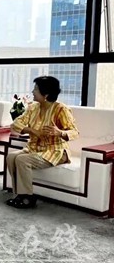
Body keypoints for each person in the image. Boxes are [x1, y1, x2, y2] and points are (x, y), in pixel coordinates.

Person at [5, 76, 79, 209]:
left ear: (46, 95)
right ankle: (19, 195)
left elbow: (75, 132)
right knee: (11, 157)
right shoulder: (33, 107)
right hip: (35, 148)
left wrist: (60, 133)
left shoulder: (61, 109)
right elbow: (15, 124)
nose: (32, 92)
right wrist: (32, 131)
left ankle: (27, 198)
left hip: (56, 151)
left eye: (36, 89)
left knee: (22, 159)